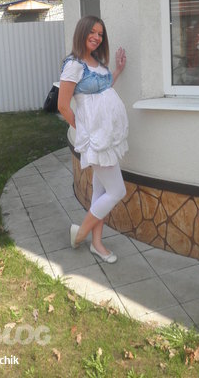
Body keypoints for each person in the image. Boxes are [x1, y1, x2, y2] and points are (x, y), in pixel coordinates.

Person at [58, 15, 128, 263]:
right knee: (117, 190)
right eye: (93, 32)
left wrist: (117, 70)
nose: (97, 37)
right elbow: (62, 105)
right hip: (96, 139)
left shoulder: (96, 61)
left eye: (100, 34)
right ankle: (80, 234)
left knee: (101, 191)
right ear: (82, 32)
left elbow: (104, 88)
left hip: (107, 137)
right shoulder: (74, 65)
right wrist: (83, 130)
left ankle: (97, 244)